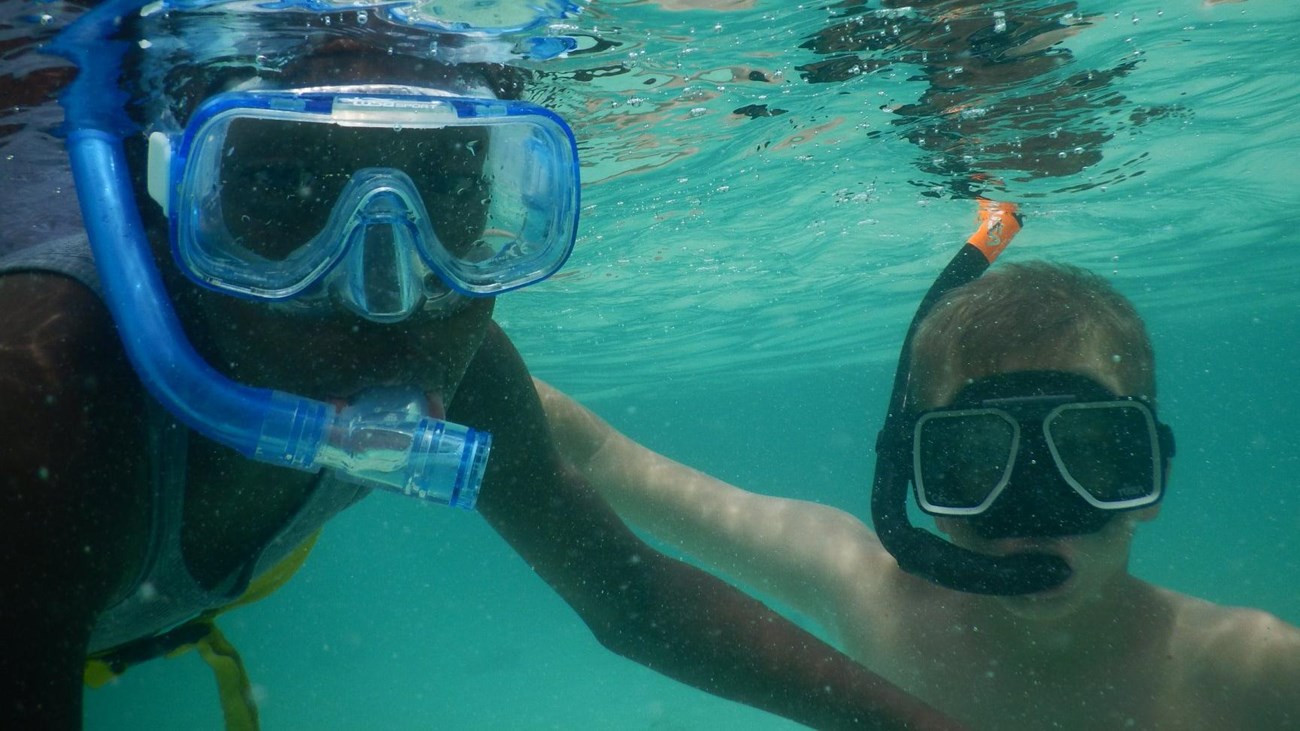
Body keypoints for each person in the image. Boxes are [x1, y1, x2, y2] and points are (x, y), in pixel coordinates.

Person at [0, 1, 962, 729]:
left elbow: (628, 594)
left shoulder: (459, 365)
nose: (387, 292)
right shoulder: (46, 405)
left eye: (454, 190)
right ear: (172, 202)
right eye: (278, 185)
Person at [537, 201, 1300, 730]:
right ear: (914, 480)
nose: (1032, 509)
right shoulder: (875, 593)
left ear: (1151, 480)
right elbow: (603, 454)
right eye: (974, 463)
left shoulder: (1256, 670)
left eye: (1093, 457)